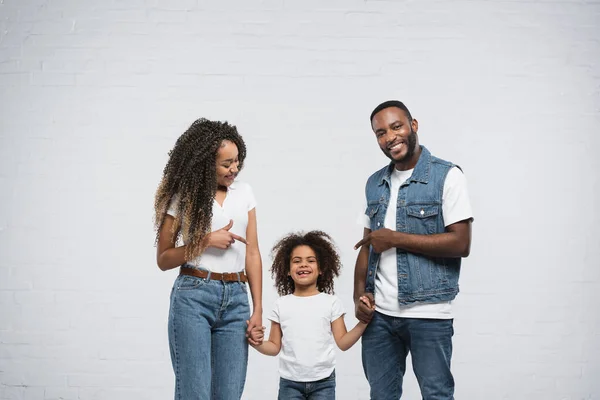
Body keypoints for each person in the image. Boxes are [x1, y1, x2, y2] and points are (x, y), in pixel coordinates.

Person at [353, 100, 474, 399]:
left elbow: (461, 243)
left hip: (429, 313)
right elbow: (368, 245)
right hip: (379, 316)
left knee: (436, 395)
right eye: (380, 132)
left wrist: (395, 238)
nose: (390, 137)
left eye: (396, 127)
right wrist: (358, 296)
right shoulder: (375, 183)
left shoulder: (447, 176)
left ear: (413, 125)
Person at [154, 118, 263, 400]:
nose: (234, 169)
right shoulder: (184, 197)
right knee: (194, 394)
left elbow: (252, 252)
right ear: (204, 164)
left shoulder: (245, 193)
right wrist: (204, 241)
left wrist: (258, 309)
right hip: (194, 297)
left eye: (237, 161)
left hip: (237, 299)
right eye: (226, 164)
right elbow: (164, 259)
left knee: (228, 395)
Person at [248, 231, 373, 400]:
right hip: (290, 383)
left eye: (311, 261)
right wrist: (257, 343)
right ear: (287, 270)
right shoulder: (281, 304)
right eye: (296, 261)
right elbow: (274, 346)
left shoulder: (331, 303)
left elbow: (343, 342)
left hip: (324, 382)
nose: (303, 265)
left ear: (321, 269)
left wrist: (364, 322)